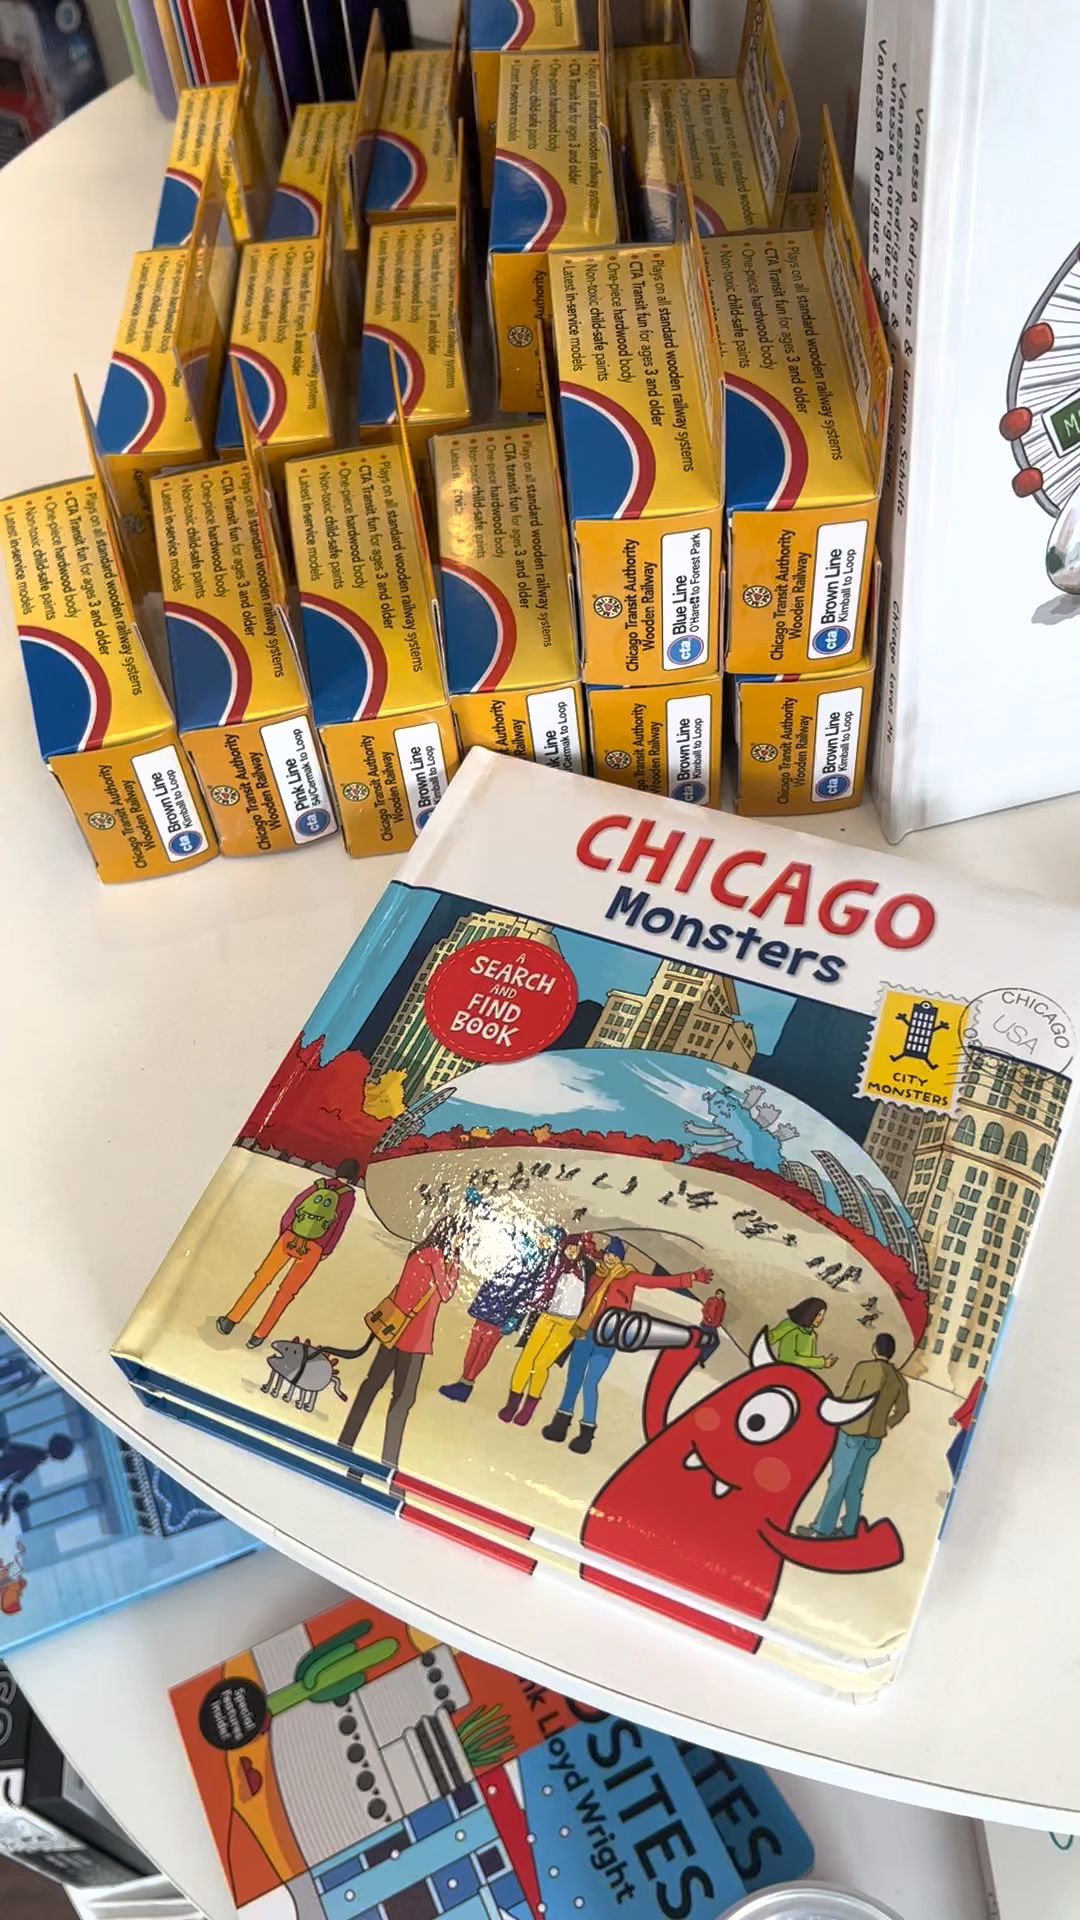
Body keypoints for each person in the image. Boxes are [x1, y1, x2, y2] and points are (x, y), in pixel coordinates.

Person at [543, 1247, 713, 1455]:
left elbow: (656, 1282)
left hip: (609, 1337)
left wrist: (691, 1277)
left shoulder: (629, 1277)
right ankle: (560, 1422)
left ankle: (586, 1432)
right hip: (585, 1332)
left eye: (615, 1255)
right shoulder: (596, 1273)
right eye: (608, 1253)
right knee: (574, 1378)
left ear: (621, 1258)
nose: (610, 1258)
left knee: (590, 1383)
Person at [338, 1218, 459, 1469]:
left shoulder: (418, 1253)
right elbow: (446, 1293)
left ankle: (345, 1443)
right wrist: (455, 1263)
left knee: (371, 1386)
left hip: (393, 1332)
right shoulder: (436, 1258)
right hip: (414, 1340)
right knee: (402, 1400)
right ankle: (389, 1463)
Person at [218, 1159, 360, 1349]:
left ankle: (230, 1320)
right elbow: (339, 1225)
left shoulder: (319, 1185)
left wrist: (284, 1232)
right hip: (315, 1248)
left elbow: (294, 1207)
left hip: (290, 1237)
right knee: (287, 1292)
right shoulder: (348, 1198)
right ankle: (259, 1335)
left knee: (261, 1279)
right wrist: (326, 1250)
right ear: (353, 1177)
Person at [799, 1332, 910, 1539]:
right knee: (855, 1484)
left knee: (838, 1480)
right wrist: (887, 1423)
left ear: (874, 1348)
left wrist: (834, 1413)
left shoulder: (864, 1368)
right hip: (873, 1437)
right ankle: (848, 1528)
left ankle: (823, 1527)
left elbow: (851, 1397)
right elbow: (903, 1409)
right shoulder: (899, 1380)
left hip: (852, 1431)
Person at [497, 1237, 590, 1427]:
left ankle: (528, 1408)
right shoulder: (555, 1265)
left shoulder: (586, 1270)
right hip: (546, 1317)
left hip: (568, 1323)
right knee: (526, 1359)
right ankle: (512, 1404)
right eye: (569, 1247)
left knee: (541, 1364)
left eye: (576, 1248)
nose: (572, 1251)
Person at [0, 1432, 74, 1525]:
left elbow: (13, 1480)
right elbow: (13, 1479)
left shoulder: (36, 1456)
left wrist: (6, 1498)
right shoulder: (35, 1456)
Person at [768, 1297, 836, 1370]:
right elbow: (788, 1359)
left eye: (822, 1315)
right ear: (811, 1312)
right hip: (784, 1371)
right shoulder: (792, 1328)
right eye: (819, 1314)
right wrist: (822, 1362)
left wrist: (822, 1363)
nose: (821, 1319)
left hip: (800, 1374)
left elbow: (808, 1361)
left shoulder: (812, 1335)